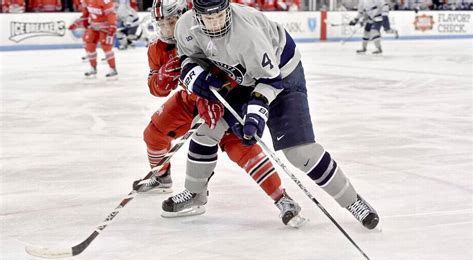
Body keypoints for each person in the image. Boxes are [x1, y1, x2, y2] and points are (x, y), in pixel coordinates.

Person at [171, 0, 379, 230]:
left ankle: (354, 202)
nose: (216, 23)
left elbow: (270, 80)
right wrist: (193, 73)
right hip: (241, 76)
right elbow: (189, 58)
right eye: (209, 18)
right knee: (206, 130)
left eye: (220, 15)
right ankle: (195, 193)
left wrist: (256, 113)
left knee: (300, 152)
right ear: (196, 15)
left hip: (282, 75)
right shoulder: (185, 26)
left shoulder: (247, 33)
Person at [134, 0, 306, 227]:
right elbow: (155, 87)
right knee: (154, 133)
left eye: (172, 22)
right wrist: (163, 78)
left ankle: (281, 197)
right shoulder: (157, 48)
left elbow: (235, 71)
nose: (167, 30)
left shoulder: (206, 33)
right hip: (189, 101)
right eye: (162, 24)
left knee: (241, 147)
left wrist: (217, 96)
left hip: (221, 101)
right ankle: (161, 176)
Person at [76, 0, 118, 78]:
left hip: (106, 27)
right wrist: (83, 20)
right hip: (93, 26)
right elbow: (86, 11)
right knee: (89, 44)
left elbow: (111, 14)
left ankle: (113, 68)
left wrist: (112, 25)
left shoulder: (105, 1)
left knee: (106, 47)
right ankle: (93, 67)